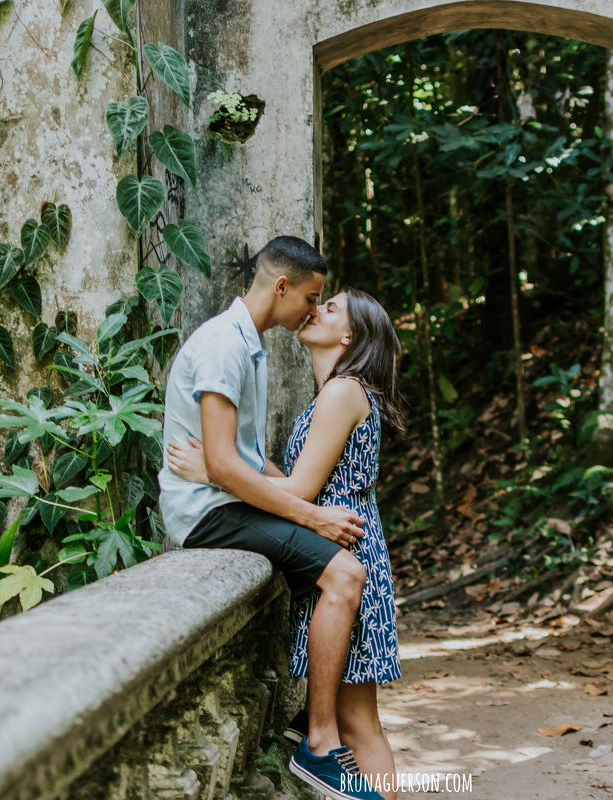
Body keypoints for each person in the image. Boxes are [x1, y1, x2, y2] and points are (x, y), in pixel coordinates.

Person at [158, 237, 383, 800]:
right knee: (345, 574)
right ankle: (320, 743)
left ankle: (313, 725)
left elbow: (245, 463)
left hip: (228, 501)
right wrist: (312, 516)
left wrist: (230, 471)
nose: (313, 310)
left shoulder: (249, 347)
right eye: (311, 297)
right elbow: (225, 465)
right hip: (209, 514)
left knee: (344, 576)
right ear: (281, 287)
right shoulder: (223, 346)